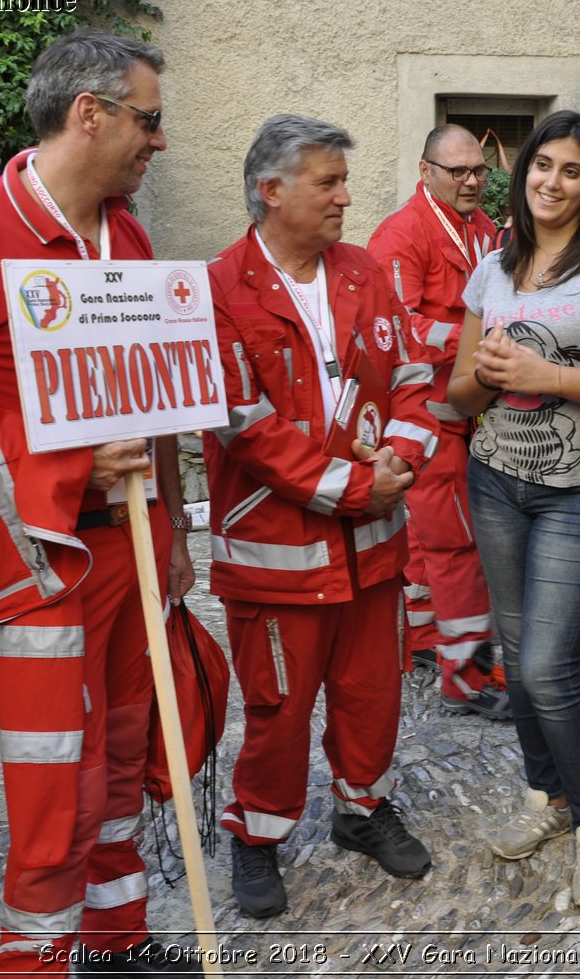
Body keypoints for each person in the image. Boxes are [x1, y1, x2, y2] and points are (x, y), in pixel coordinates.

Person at [0, 28, 193, 975]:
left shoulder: (128, 231)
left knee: (129, 748)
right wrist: (61, 464)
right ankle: (32, 962)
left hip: (135, 545)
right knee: (60, 774)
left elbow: (157, 397)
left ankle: (117, 935)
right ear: (88, 114)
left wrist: (175, 528)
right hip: (41, 555)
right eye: (150, 119)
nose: (160, 141)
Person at [205, 114, 440, 920]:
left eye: (344, 180)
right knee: (276, 709)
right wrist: (351, 485)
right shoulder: (217, 289)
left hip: (373, 547)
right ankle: (257, 834)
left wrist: (403, 458)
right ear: (271, 191)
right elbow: (245, 424)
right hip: (277, 557)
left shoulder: (364, 272)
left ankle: (363, 810)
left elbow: (412, 375)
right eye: (328, 182)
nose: (347, 197)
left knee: (373, 691)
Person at [445, 110, 580, 908]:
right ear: (522, 172)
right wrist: (492, 377)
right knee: (514, 651)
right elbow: (457, 393)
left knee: (547, 664)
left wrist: (549, 376)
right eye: (542, 166)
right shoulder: (493, 268)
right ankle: (550, 799)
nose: (552, 182)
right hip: (497, 477)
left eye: (572, 170)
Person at [367, 123, 508, 719]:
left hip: (468, 408)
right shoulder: (400, 235)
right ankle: (467, 677)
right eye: (461, 172)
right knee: (456, 544)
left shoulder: (480, 229)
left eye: (480, 170)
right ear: (426, 172)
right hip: (427, 415)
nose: (475, 181)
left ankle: (424, 641)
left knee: (430, 540)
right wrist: (475, 338)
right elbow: (399, 329)